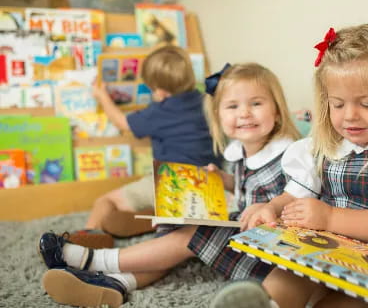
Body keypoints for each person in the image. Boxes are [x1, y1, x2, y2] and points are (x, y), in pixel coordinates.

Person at [210, 24, 368, 308]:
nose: (350, 116)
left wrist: (330, 217)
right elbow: (294, 195)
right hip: (324, 255)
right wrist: (273, 207)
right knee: (286, 276)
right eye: (337, 104)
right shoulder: (319, 148)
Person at [38, 62, 301, 307]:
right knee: (177, 234)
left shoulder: (289, 154)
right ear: (218, 117)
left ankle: (93, 261)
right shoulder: (240, 152)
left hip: (267, 250)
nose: (244, 113)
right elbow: (248, 187)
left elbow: (296, 198)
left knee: (189, 235)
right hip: (244, 232)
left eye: (256, 103)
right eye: (232, 107)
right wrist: (225, 180)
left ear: (277, 112)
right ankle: (118, 283)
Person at [66, 45, 222, 249]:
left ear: (159, 90)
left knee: (106, 202)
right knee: (154, 202)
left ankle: (88, 237)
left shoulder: (159, 112)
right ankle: (156, 217)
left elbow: (123, 123)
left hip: (173, 182)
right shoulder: (206, 101)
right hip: (210, 184)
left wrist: (102, 96)